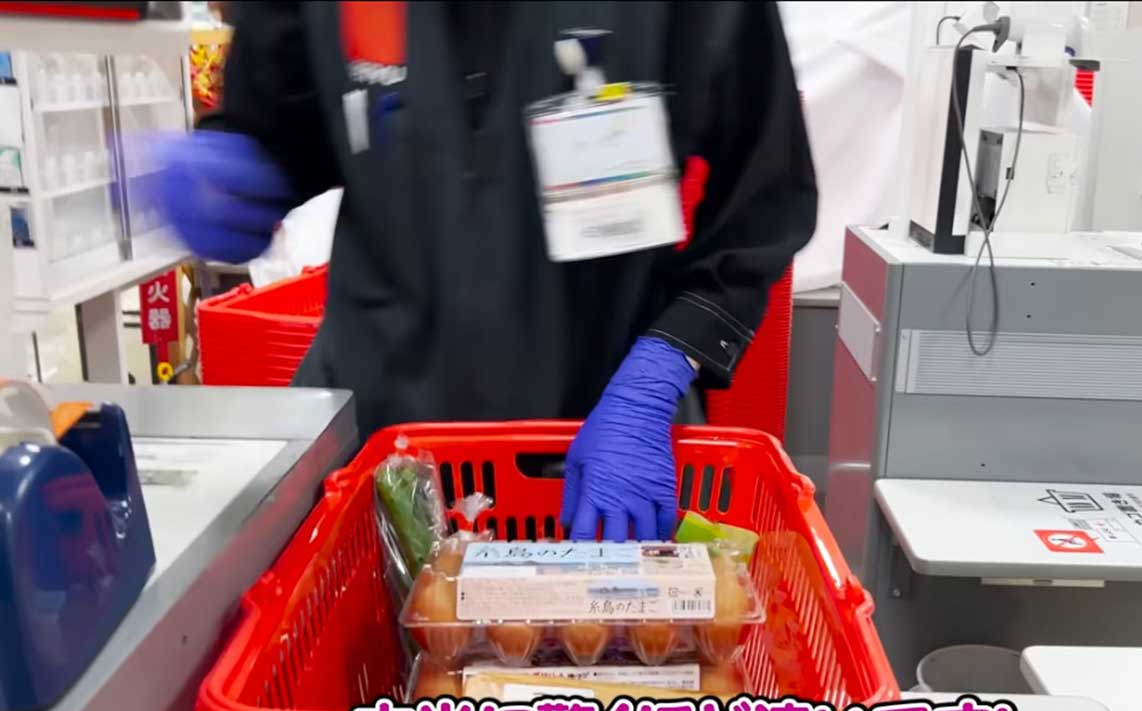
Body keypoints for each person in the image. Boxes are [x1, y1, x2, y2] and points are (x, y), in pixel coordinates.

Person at [157, 2, 816, 542]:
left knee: (603, 656)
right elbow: (287, 119)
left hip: (599, 455)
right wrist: (236, 166)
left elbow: (765, 195)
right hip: (385, 458)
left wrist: (663, 367)